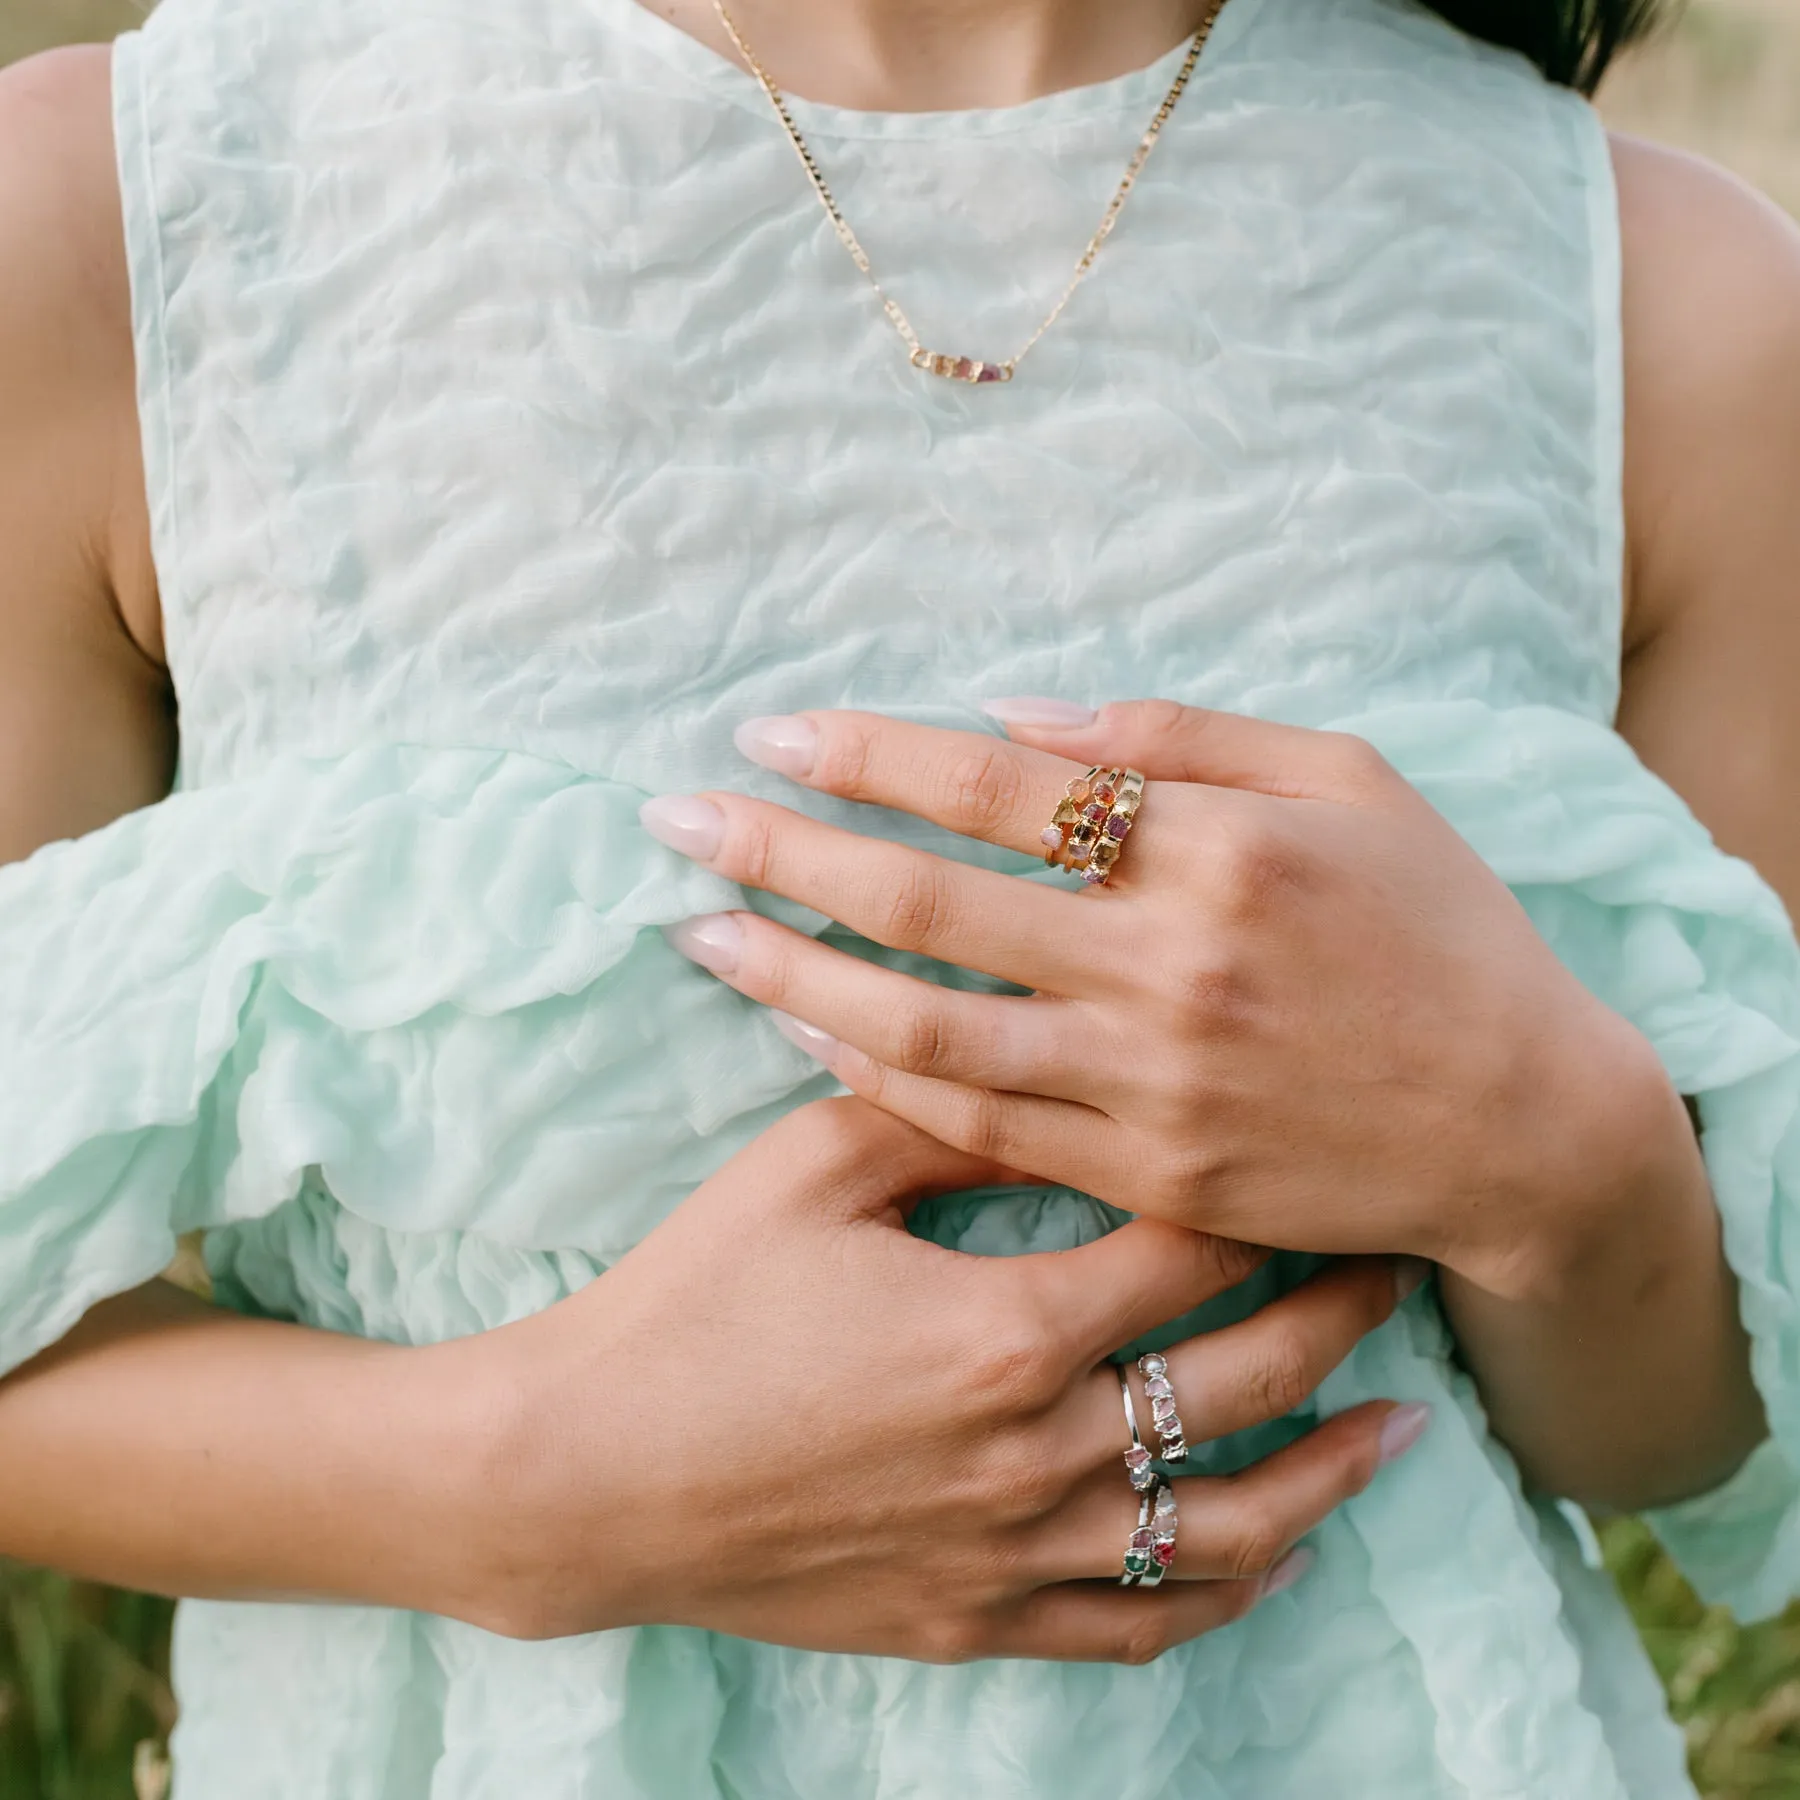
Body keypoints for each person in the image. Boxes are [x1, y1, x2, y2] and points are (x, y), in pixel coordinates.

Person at [1, 0, 1798, 1792]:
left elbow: (1684, 1444)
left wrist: (1554, 1157)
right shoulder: (131, 220)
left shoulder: (1661, 299)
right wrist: (524, 1483)